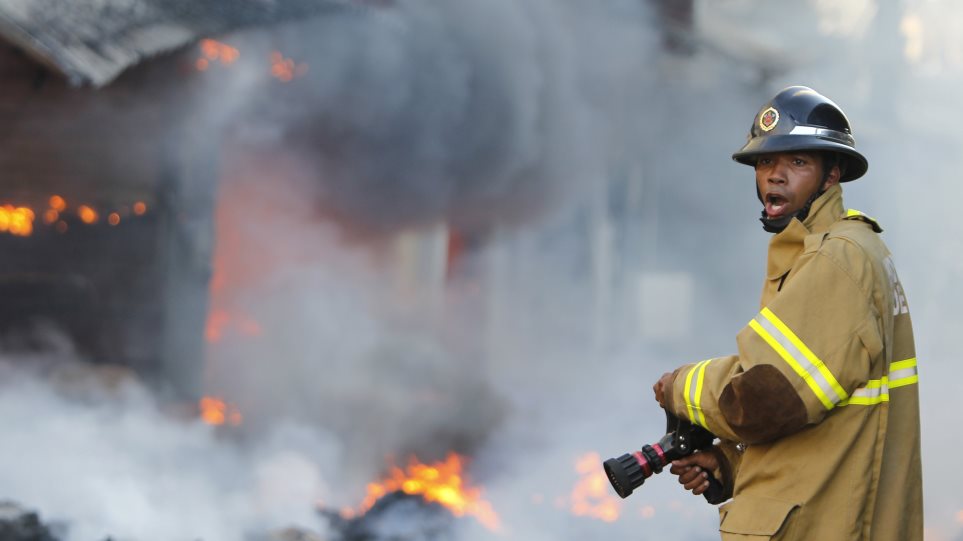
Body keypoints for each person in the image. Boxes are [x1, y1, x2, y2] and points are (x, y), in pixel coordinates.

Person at [652, 86, 922, 540]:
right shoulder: (842, 250)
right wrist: (731, 464)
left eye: (797, 162)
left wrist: (681, 387)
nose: (774, 176)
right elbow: (831, 415)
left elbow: (762, 399)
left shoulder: (836, 259)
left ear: (831, 175)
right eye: (765, 162)